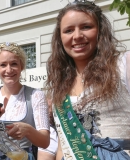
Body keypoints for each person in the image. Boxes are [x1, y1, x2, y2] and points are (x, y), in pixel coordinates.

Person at [45, 1, 130, 160]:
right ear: (60, 38)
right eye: (68, 30)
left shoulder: (123, 65)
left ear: (100, 31)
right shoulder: (59, 87)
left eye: (86, 27)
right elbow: (63, 148)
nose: (77, 36)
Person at [0, 42, 50, 160]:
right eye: (3, 65)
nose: (9, 70)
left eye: (14, 64)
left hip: (21, 156)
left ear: (21, 66)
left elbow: (45, 141)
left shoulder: (35, 95)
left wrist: (28, 130)